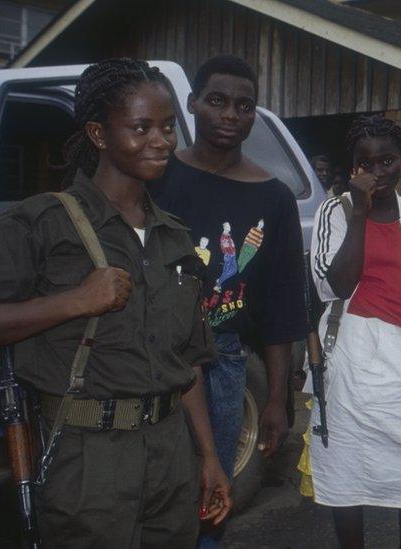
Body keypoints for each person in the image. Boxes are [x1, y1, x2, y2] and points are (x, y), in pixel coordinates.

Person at [0, 58, 231, 547]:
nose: (161, 141)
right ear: (100, 135)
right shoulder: (42, 224)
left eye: (167, 127)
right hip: (89, 461)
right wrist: (74, 302)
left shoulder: (176, 238)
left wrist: (208, 457)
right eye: (141, 127)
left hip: (171, 454)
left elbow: (186, 364)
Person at [147, 54, 307, 547]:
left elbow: (282, 308)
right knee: (149, 491)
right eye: (216, 101)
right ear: (192, 103)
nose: (230, 115)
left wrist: (277, 399)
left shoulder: (273, 197)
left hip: (223, 363)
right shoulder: (157, 175)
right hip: (150, 353)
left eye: (244, 105)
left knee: (210, 493)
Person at [309, 114, 401, 549]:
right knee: (347, 474)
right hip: (351, 358)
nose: (377, 172)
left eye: (387, 160)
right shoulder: (336, 212)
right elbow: (335, 286)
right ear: (353, 169)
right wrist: (361, 215)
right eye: (365, 164)